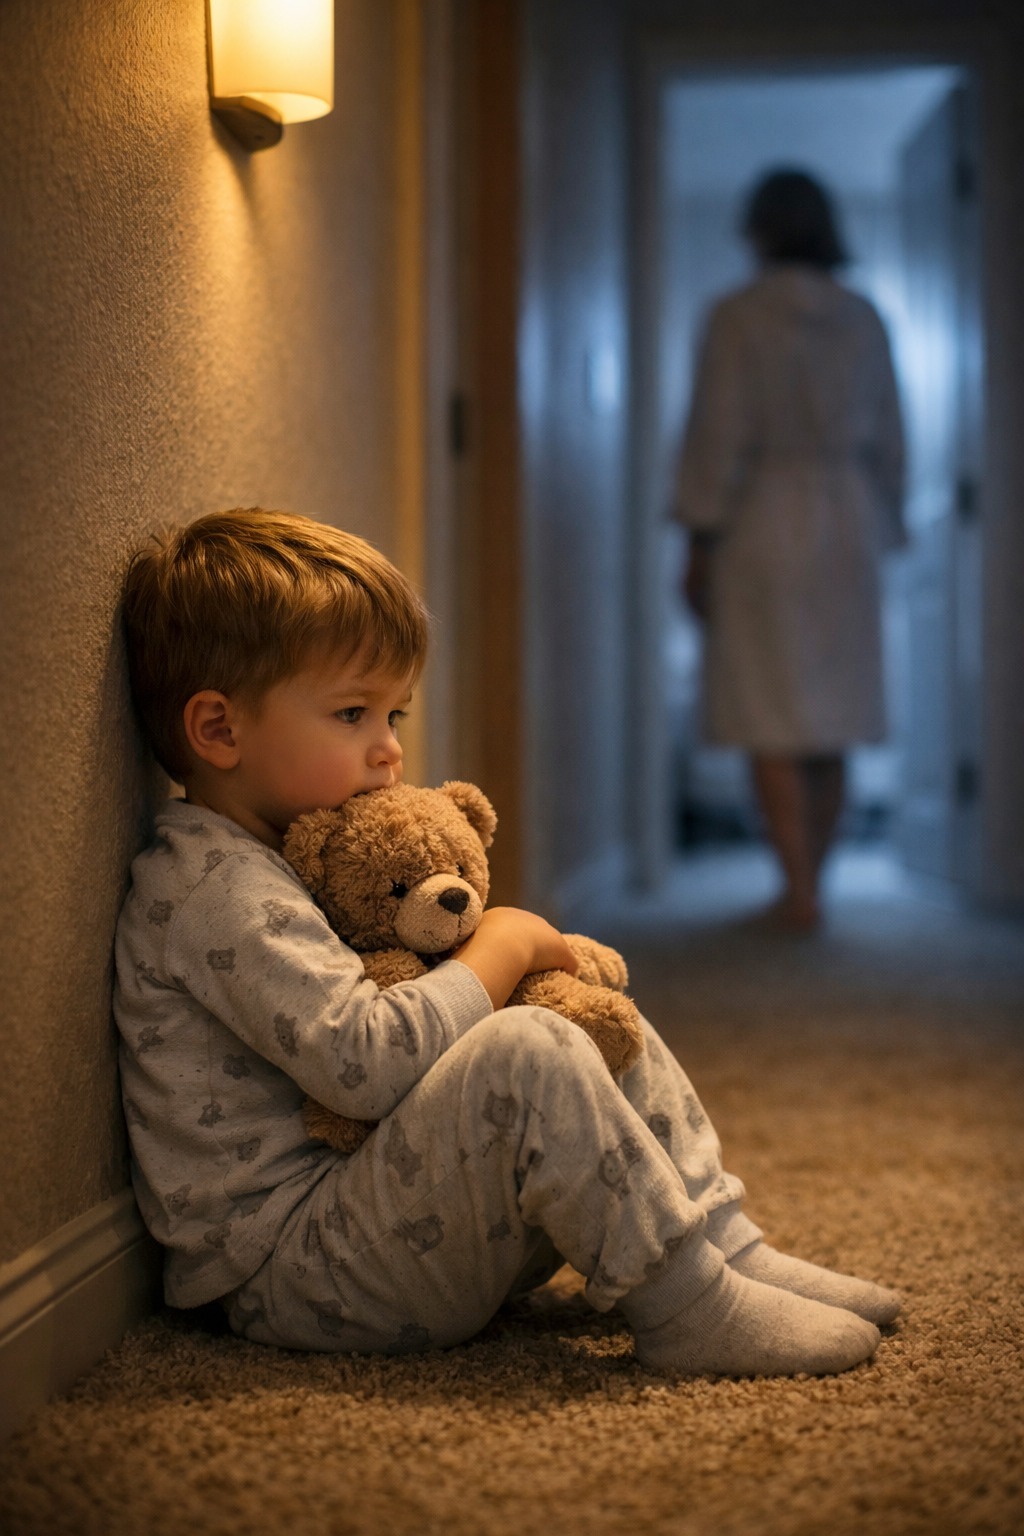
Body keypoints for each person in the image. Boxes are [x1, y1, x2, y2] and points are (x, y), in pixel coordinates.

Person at [114, 505, 898, 1378]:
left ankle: (725, 1244)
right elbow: (361, 1065)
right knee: (528, 1043)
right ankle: (688, 1306)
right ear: (219, 731)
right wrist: (501, 948)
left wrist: (517, 970)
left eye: (394, 715)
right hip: (297, 1272)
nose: (388, 751)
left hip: (380, 1217)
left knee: (581, 1012)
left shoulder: (284, 852)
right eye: (352, 713)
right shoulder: (215, 887)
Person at [673, 169, 907, 931]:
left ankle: (797, 889)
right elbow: (893, 435)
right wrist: (889, 521)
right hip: (847, 521)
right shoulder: (864, 317)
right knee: (831, 714)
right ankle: (814, 887)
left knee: (769, 711)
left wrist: (699, 539)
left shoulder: (737, 316)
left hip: (762, 521)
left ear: (759, 227)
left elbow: (715, 433)